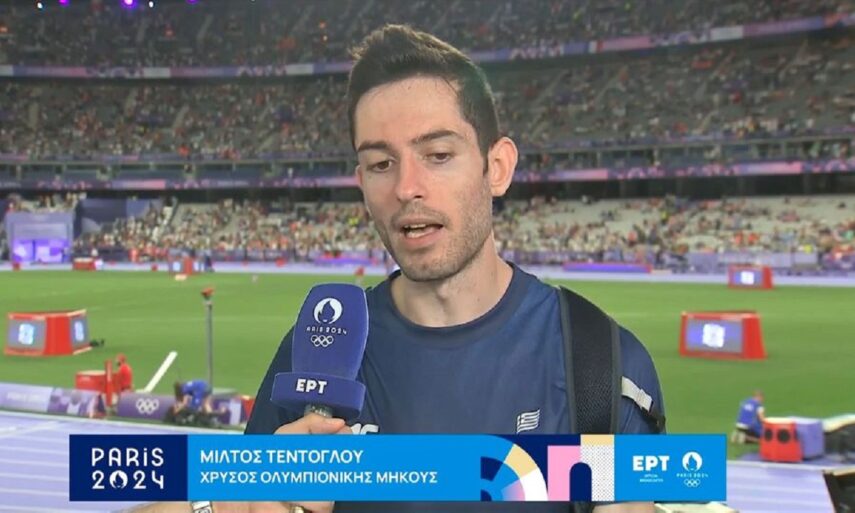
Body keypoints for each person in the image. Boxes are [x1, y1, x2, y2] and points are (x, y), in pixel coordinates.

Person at [133, 24, 664, 513]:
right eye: (381, 163)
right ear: (362, 182)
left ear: (497, 167)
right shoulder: (320, 351)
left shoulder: (599, 363)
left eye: (438, 154)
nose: (407, 187)